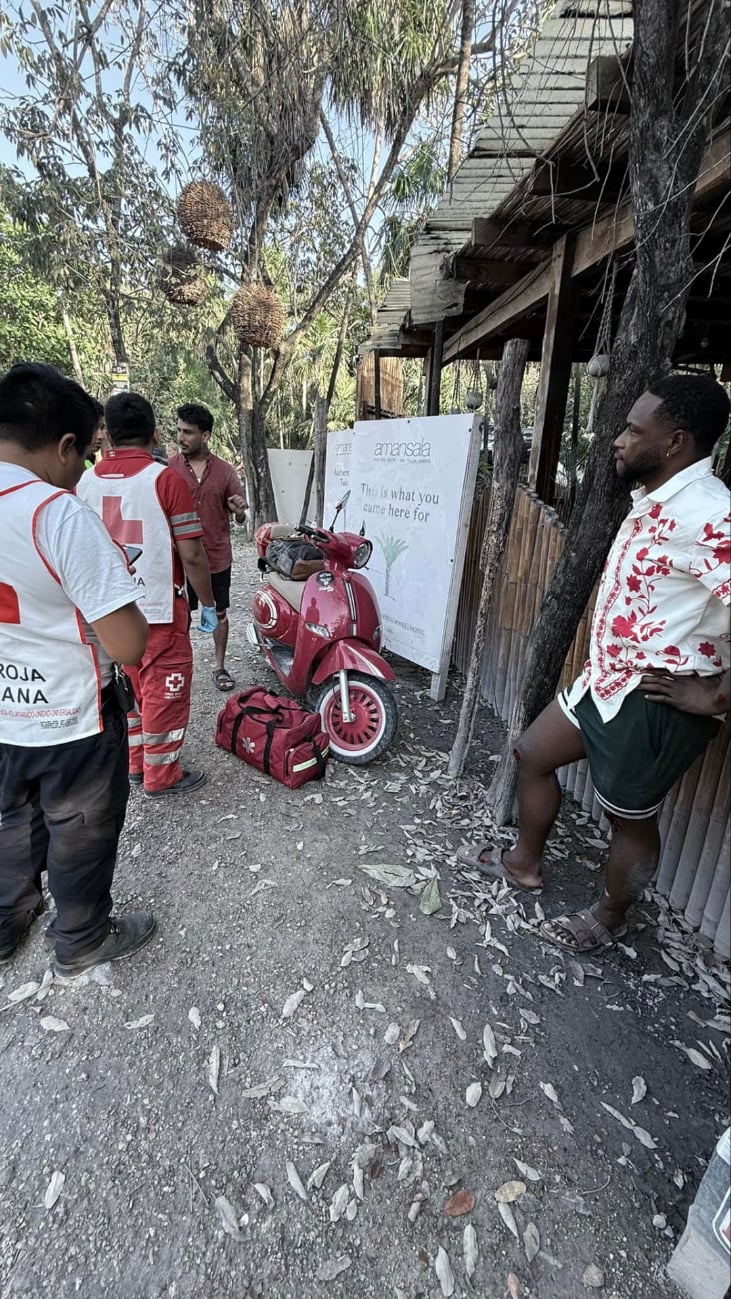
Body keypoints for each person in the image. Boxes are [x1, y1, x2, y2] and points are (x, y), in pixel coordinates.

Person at [458, 374, 731, 954]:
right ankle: (525, 864)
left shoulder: (711, 514)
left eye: (635, 430)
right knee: (531, 753)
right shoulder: (657, 500)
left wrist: (715, 696)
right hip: (604, 681)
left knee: (629, 822)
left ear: (676, 442)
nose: (619, 440)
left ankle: (610, 916)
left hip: (653, 699)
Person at [0, 362, 155, 978]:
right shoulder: (57, 516)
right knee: (78, 830)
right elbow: (127, 645)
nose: (85, 470)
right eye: (85, 454)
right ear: (65, 445)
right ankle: (83, 936)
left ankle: (9, 920)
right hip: (70, 719)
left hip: (3, 719)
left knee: (11, 820)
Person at [77, 392, 217, 797]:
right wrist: (208, 603)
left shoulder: (84, 480)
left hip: (106, 611)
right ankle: (162, 776)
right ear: (155, 434)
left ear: (107, 436)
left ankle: (137, 765)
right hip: (157, 609)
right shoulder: (165, 479)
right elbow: (191, 554)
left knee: (131, 690)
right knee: (164, 695)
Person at [169, 403, 247, 692]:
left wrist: (238, 511)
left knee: (219, 613)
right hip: (178, 559)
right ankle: (181, 666)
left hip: (216, 557)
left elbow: (239, 517)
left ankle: (219, 666)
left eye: (188, 432)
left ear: (206, 435)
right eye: (179, 430)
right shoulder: (170, 469)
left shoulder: (226, 472)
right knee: (179, 616)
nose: (182, 437)